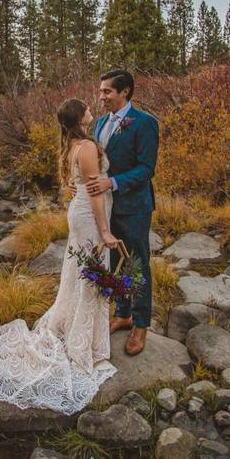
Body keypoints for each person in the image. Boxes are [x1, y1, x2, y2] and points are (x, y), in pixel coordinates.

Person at [0, 98, 119, 414]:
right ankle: (84, 344)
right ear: (80, 117)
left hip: (77, 214)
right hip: (90, 218)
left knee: (80, 272)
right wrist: (105, 231)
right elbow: (93, 193)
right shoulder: (88, 147)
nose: (92, 110)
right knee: (90, 272)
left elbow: (75, 186)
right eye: (87, 109)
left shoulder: (72, 145)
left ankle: (79, 331)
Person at [85, 69, 159, 356]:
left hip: (134, 206)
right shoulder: (101, 123)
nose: (101, 96)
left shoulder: (145, 123)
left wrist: (112, 183)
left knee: (137, 263)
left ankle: (141, 324)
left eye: (107, 92)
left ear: (125, 91)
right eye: (101, 91)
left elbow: (146, 168)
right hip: (106, 208)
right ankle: (123, 313)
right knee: (113, 261)